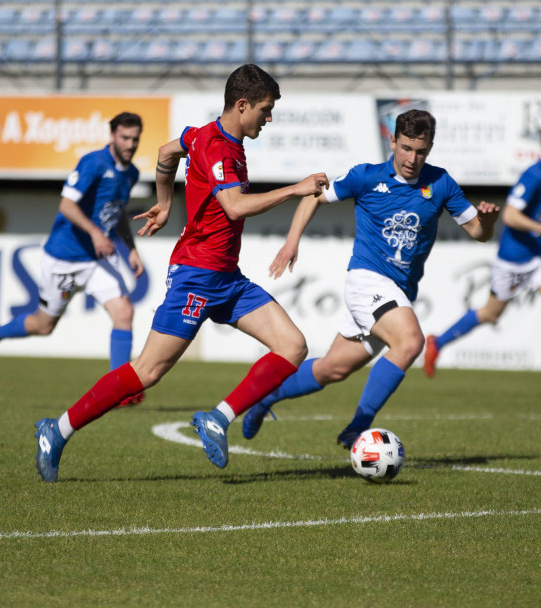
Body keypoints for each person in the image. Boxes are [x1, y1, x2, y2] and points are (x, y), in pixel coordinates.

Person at [32, 64, 329, 481]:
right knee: (146, 372)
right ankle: (56, 431)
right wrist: (295, 189)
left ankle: (217, 419)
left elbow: (165, 154)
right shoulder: (221, 149)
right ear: (241, 105)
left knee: (293, 346)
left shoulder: (201, 134)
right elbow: (236, 206)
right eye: (265, 109)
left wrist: (166, 202)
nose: (269, 117)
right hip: (195, 275)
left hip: (226, 277)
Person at [242, 109, 500, 448]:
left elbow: (478, 233)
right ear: (392, 141)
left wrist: (488, 221)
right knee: (409, 342)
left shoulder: (441, 183)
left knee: (332, 369)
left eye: (421, 151)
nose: (412, 158)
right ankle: (357, 428)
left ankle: (264, 398)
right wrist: (292, 242)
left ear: (430, 147)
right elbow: (314, 195)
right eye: (406, 148)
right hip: (367, 280)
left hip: (399, 291)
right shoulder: (366, 177)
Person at [0, 113, 146, 404]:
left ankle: (118, 389)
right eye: (124, 138)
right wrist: (94, 233)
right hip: (64, 258)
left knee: (124, 313)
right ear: (112, 135)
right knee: (43, 326)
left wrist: (131, 249)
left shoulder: (131, 173)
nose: (130, 144)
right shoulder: (93, 163)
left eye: (135, 139)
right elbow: (66, 205)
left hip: (94, 262)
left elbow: (117, 214)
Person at [422, 126, 541, 396]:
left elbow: (538, 213)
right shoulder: (533, 176)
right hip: (513, 258)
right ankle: (437, 343)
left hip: (540, 253)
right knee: (489, 314)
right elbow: (510, 216)